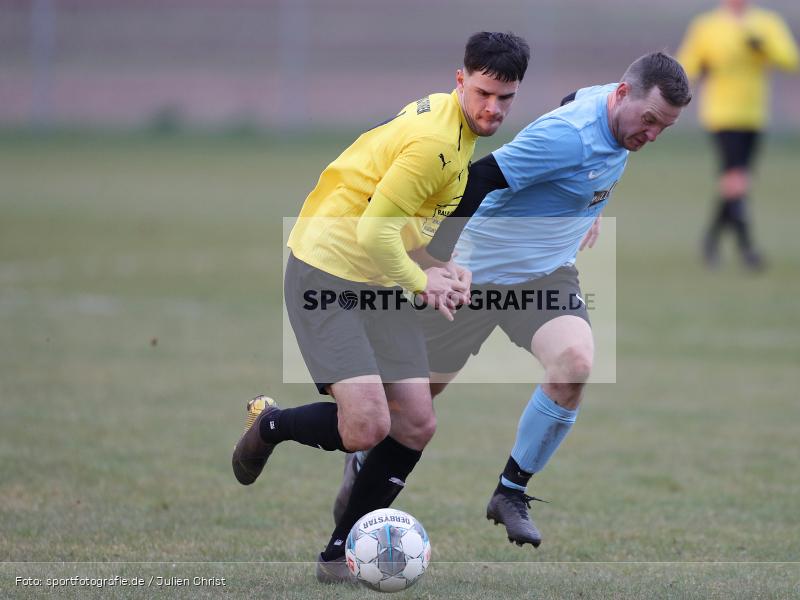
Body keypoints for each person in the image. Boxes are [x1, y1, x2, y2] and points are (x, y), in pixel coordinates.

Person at [334, 52, 691, 548]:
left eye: (664, 129)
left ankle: (511, 492)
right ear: (624, 96)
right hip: (472, 277)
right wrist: (435, 263)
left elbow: (577, 101)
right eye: (649, 122)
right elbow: (479, 178)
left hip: (544, 277)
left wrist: (586, 205)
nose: (651, 136)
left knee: (574, 362)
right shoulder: (565, 137)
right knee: (408, 413)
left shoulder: (609, 100)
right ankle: (351, 473)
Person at [230, 32, 530, 582]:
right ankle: (269, 424)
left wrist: (440, 268)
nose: (494, 108)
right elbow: (372, 232)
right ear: (460, 79)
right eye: (484, 93)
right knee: (367, 426)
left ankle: (336, 555)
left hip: (377, 272)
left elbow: (396, 225)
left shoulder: (457, 128)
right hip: (328, 269)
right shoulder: (435, 143)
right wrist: (423, 284)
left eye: (506, 98)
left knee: (415, 423)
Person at [677, 0, 800, 270]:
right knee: (736, 179)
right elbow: (685, 68)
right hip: (720, 114)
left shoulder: (766, 22)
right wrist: (701, 66)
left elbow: (792, 59)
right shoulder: (706, 26)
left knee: (736, 182)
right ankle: (747, 248)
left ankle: (711, 239)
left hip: (754, 115)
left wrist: (764, 47)